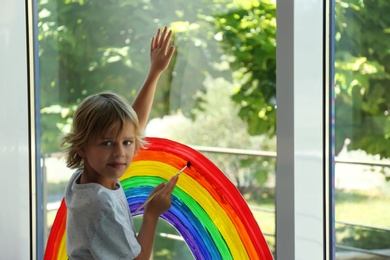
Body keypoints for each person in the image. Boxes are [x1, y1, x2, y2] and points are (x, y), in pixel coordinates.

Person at [61, 27, 178, 260]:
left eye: (126, 143)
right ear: (82, 147)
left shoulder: (85, 179)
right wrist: (152, 213)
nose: (120, 153)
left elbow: (133, 125)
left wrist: (154, 73)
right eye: (107, 143)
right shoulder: (101, 204)